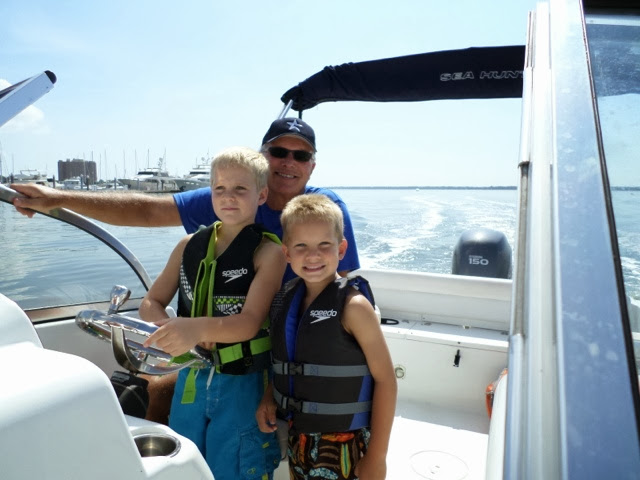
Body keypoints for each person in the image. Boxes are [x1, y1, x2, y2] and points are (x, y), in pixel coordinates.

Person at [10, 117, 360, 280]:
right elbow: (147, 211)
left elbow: (345, 278)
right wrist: (56, 198)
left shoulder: (325, 209)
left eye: (301, 156)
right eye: (279, 152)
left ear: (312, 166)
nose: (288, 162)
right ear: (262, 157)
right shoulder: (231, 201)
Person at [140, 146, 285, 480]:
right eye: (220, 188)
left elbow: (249, 323)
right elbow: (151, 303)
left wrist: (195, 329)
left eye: (240, 189)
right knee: (183, 463)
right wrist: (172, 330)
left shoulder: (269, 252)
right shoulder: (187, 245)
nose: (228, 196)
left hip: (242, 384)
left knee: (233, 467)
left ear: (261, 195)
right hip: (190, 377)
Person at [256, 194, 397, 480]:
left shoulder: (354, 307)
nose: (313, 256)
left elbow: (386, 380)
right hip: (298, 438)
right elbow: (286, 361)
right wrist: (269, 397)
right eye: (301, 246)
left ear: (341, 249)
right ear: (287, 253)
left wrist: (377, 457)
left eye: (324, 245)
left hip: (345, 444)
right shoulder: (284, 299)